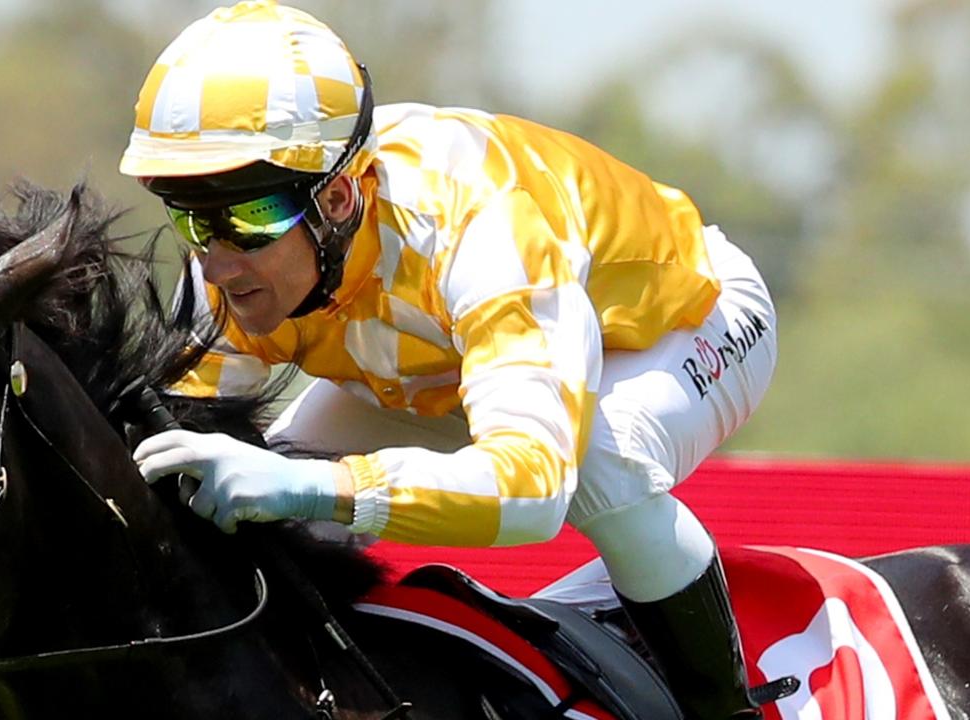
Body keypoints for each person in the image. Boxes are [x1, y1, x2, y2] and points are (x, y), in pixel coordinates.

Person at [120, 2, 777, 718]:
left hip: (679, 325)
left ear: (337, 197)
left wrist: (310, 484)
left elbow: (531, 490)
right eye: (191, 217)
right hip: (448, 368)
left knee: (595, 469)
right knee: (262, 515)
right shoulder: (229, 269)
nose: (216, 263)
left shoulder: (485, 228)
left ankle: (724, 708)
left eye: (247, 217)